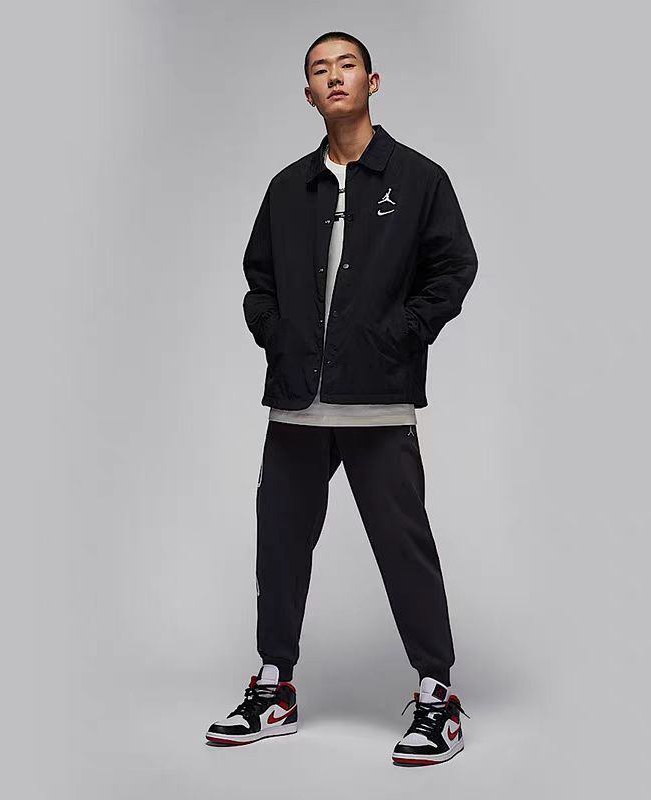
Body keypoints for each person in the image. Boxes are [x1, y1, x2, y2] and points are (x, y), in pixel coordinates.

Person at [205, 31, 477, 767]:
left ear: (372, 81)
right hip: (297, 402)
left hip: (377, 400)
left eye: (346, 65)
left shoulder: (418, 179)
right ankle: (274, 687)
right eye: (320, 70)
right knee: (279, 543)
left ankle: (437, 696)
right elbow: (259, 280)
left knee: (403, 547)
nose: (334, 77)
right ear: (308, 94)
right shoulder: (287, 187)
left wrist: (402, 334)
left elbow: (454, 266)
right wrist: (277, 334)